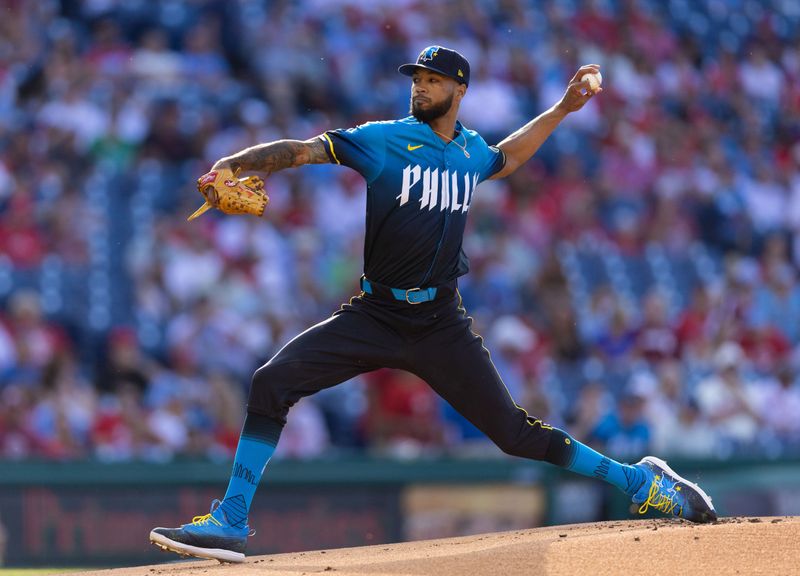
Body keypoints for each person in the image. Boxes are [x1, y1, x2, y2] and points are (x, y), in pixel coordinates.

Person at [150, 46, 716, 563]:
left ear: (459, 90)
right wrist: (239, 163)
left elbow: (507, 158)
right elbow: (301, 151)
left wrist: (563, 109)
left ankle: (642, 482)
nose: (419, 87)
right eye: (416, 79)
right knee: (271, 382)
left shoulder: (470, 151)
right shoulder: (383, 139)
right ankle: (231, 519)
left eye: (432, 80)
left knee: (515, 435)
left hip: (440, 321)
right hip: (375, 314)